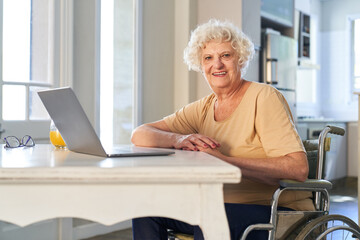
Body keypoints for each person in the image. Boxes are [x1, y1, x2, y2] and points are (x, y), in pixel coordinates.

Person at [131, 19, 313, 240]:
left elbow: (297, 168)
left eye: (226, 56)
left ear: (241, 59)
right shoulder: (203, 107)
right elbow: (140, 134)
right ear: (201, 64)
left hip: (277, 210)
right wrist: (179, 139)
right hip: (218, 206)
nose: (217, 65)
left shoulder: (263, 97)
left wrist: (224, 160)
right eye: (208, 58)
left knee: (209, 219)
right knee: (146, 210)